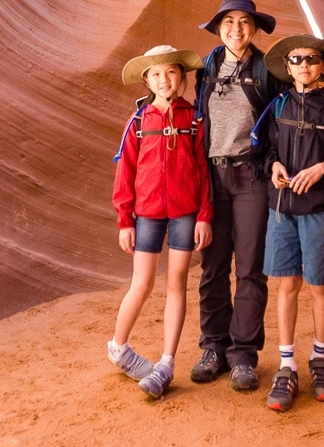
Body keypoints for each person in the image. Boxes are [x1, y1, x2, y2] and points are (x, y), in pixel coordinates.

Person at [190, 0, 324, 393]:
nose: (236, 28)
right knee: (213, 266)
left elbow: (308, 101)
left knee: (250, 267)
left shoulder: (270, 72)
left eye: (244, 21)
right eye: (228, 21)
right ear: (218, 28)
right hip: (213, 176)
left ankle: (244, 355)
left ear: (255, 28)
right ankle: (213, 347)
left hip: (253, 177)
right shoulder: (207, 68)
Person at [261, 34, 324, 412]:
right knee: (286, 285)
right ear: (287, 68)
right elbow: (268, 147)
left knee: (319, 284)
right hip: (282, 209)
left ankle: (320, 360)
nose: (304, 64)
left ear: (323, 67)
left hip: (320, 210)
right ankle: (286, 365)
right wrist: (274, 166)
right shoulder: (278, 105)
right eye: (296, 59)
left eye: (312, 59)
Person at [109, 45, 213, 399]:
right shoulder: (139, 121)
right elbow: (126, 170)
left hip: (185, 212)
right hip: (147, 214)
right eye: (155, 74)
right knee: (141, 284)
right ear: (147, 81)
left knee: (177, 283)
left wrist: (204, 215)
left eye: (170, 72)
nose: (164, 80)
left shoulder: (194, 118)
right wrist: (125, 220)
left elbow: (203, 169)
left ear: (181, 77)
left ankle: (166, 363)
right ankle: (119, 348)